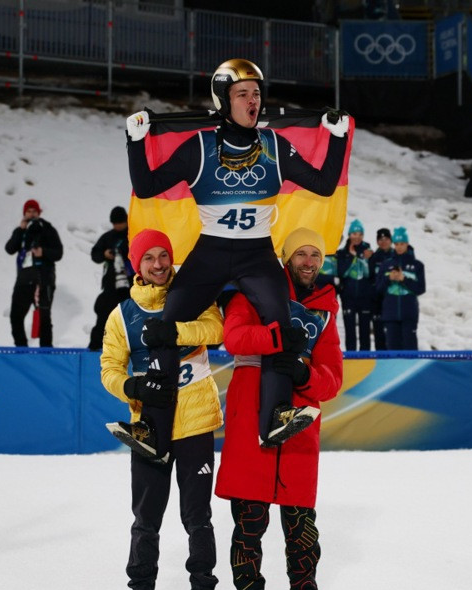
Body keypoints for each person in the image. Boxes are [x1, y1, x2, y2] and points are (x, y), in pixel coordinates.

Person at [113, 57, 350, 461]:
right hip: (211, 252)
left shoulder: (275, 145)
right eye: (242, 94)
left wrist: (337, 138)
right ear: (223, 101)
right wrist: (136, 142)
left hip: (257, 254)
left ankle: (275, 416)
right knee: (163, 329)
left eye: (257, 93)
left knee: (284, 328)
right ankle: (152, 428)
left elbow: (324, 185)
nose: (253, 100)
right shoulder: (200, 146)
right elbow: (148, 186)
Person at [215, 227, 343, 590]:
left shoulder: (325, 309)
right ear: (286, 257)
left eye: (315, 255)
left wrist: (304, 372)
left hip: (299, 425)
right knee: (249, 521)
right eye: (301, 254)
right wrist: (276, 338)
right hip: (251, 417)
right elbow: (232, 337)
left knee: (302, 523)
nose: (309, 262)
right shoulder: (254, 291)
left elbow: (333, 379)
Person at [100, 229, 223, 590]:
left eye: (163, 256)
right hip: (150, 427)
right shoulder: (122, 314)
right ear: (137, 265)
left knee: (197, 516)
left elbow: (214, 329)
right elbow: (109, 368)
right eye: (149, 258)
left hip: (195, 421)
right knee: (146, 517)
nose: (158, 264)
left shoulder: (190, 294)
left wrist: (175, 332)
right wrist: (130, 387)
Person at [4, 199, 63, 347]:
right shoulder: (21, 231)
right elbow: (10, 248)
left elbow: (58, 252)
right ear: (24, 213)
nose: (31, 214)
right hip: (24, 279)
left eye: (34, 211)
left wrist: (43, 252)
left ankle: (46, 353)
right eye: (28, 211)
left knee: (44, 317)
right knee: (15, 316)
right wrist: (20, 230)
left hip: (44, 278)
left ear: (39, 213)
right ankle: (22, 350)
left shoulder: (47, 228)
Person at [88, 205, 133, 351]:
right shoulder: (108, 237)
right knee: (103, 317)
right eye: (115, 223)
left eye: (120, 222)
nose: (118, 226)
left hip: (131, 286)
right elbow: (95, 254)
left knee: (132, 320)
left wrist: (125, 255)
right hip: (110, 285)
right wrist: (105, 254)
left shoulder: (133, 235)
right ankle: (94, 349)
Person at [375, 227, 426, 350]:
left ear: (407, 244)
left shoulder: (417, 265)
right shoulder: (386, 264)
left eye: (402, 244)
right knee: (392, 350)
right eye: (396, 244)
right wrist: (389, 279)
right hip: (390, 315)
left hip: (409, 315)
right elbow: (378, 289)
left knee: (410, 349)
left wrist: (404, 279)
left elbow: (420, 289)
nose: (399, 247)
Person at [335, 219, 374, 351]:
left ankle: (366, 360)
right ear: (349, 235)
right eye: (354, 233)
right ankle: (351, 358)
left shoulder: (369, 252)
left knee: (365, 331)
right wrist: (354, 257)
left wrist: (365, 259)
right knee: (350, 330)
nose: (357, 237)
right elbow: (342, 273)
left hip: (365, 298)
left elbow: (371, 274)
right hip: (348, 297)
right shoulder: (342, 253)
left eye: (360, 234)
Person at [368, 226, 393, 350]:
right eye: (380, 239)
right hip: (377, 302)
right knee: (379, 335)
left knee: (393, 335)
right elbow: (369, 279)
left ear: (391, 240)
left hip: (393, 301)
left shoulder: (397, 256)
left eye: (386, 239)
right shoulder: (374, 257)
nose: (383, 242)